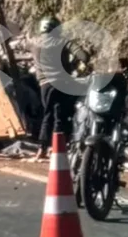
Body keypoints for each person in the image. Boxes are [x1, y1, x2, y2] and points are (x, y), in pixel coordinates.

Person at [31, 17, 91, 160]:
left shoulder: (35, 44)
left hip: (44, 85)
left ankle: (42, 148)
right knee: (61, 115)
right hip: (61, 82)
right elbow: (84, 56)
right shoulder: (62, 42)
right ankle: (56, 147)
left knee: (47, 115)